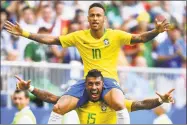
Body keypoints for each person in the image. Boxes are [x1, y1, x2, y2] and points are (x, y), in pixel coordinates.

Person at [4, 3, 170, 124]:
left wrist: (156, 31)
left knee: (120, 103)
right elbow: (53, 40)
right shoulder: (79, 36)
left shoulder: (115, 35)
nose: (95, 18)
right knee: (58, 107)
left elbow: (140, 38)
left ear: (104, 18)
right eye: (92, 15)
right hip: (88, 81)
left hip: (108, 81)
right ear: (88, 18)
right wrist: (25, 33)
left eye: (98, 15)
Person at [15, 69, 175, 124]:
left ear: (102, 85)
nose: (93, 87)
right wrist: (31, 88)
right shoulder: (79, 101)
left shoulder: (113, 101)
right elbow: (52, 98)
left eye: (97, 84)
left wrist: (160, 100)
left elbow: (140, 104)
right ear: (85, 85)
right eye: (90, 84)